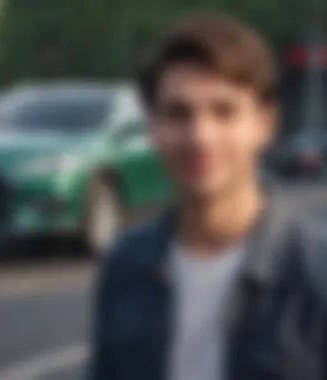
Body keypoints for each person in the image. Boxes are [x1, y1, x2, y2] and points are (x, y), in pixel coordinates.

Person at [91, 15, 327, 380]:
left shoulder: (314, 273)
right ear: (152, 128)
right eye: (178, 113)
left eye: (224, 111)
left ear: (265, 125)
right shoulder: (124, 267)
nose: (200, 136)